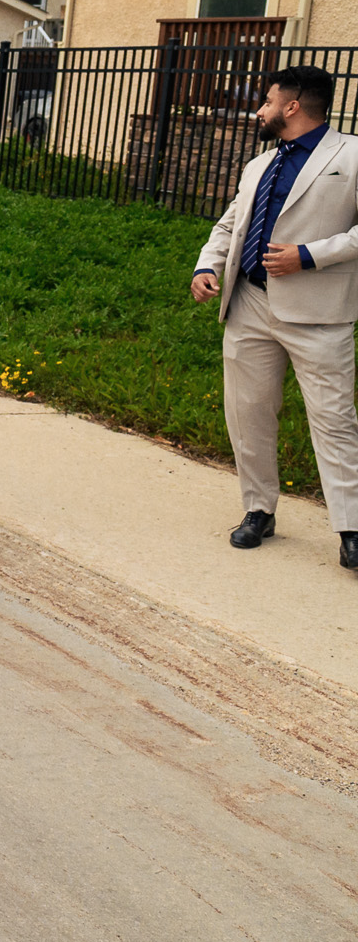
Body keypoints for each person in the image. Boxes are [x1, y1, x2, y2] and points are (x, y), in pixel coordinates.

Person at [191, 65, 358, 570]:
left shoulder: (351, 155)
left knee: (333, 420)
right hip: (249, 306)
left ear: (292, 106)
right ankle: (258, 509)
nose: (258, 109)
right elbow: (231, 221)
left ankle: (352, 528)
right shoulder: (259, 163)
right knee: (248, 414)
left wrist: (310, 255)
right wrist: (207, 263)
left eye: (266, 101)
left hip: (319, 314)